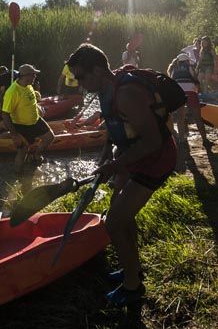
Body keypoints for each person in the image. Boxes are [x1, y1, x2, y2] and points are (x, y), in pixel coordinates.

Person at [67, 43, 177, 307]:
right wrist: (107, 151)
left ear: (98, 70)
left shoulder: (126, 93)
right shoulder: (106, 90)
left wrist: (116, 166)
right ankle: (133, 268)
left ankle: (132, 287)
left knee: (113, 222)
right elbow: (113, 123)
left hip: (154, 159)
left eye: (81, 77)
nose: (79, 84)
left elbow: (152, 141)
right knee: (121, 215)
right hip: (133, 157)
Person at [0, 64, 55, 172]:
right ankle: (18, 176)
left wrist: (38, 108)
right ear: (26, 76)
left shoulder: (29, 86)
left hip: (36, 121)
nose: (35, 77)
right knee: (23, 150)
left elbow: (30, 101)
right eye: (33, 75)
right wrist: (14, 135)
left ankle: (36, 156)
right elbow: (5, 114)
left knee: (50, 137)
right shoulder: (13, 92)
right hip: (21, 125)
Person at [167, 53, 212, 148]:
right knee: (197, 118)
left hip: (178, 93)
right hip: (190, 92)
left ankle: (181, 140)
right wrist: (197, 90)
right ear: (187, 61)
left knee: (180, 118)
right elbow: (196, 80)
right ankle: (205, 140)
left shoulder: (173, 68)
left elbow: (171, 82)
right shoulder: (189, 67)